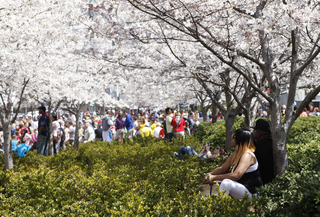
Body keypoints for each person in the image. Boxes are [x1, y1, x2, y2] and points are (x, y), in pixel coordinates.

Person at [204, 129, 263, 200]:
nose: (232, 138)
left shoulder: (248, 155)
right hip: (243, 188)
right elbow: (222, 169)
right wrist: (209, 174)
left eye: (234, 136)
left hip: (252, 193)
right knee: (221, 181)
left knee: (226, 183)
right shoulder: (237, 153)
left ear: (240, 139)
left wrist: (213, 177)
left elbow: (236, 175)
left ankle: (216, 207)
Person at [252, 119, 275, 185]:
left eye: (255, 131)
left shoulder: (256, 147)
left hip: (261, 182)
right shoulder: (274, 144)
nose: (254, 133)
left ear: (258, 134)